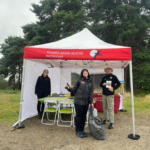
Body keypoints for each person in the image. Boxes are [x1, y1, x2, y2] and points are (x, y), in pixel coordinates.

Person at [65, 69, 93, 138]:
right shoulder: (79, 80)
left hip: (86, 102)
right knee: (79, 115)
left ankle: (82, 130)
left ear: (88, 73)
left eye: (86, 72)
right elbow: (74, 89)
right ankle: (78, 130)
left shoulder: (90, 82)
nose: (85, 73)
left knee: (84, 116)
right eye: (84, 72)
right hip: (78, 101)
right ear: (82, 73)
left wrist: (91, 102)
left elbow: (91, 93)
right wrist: (68, 88)